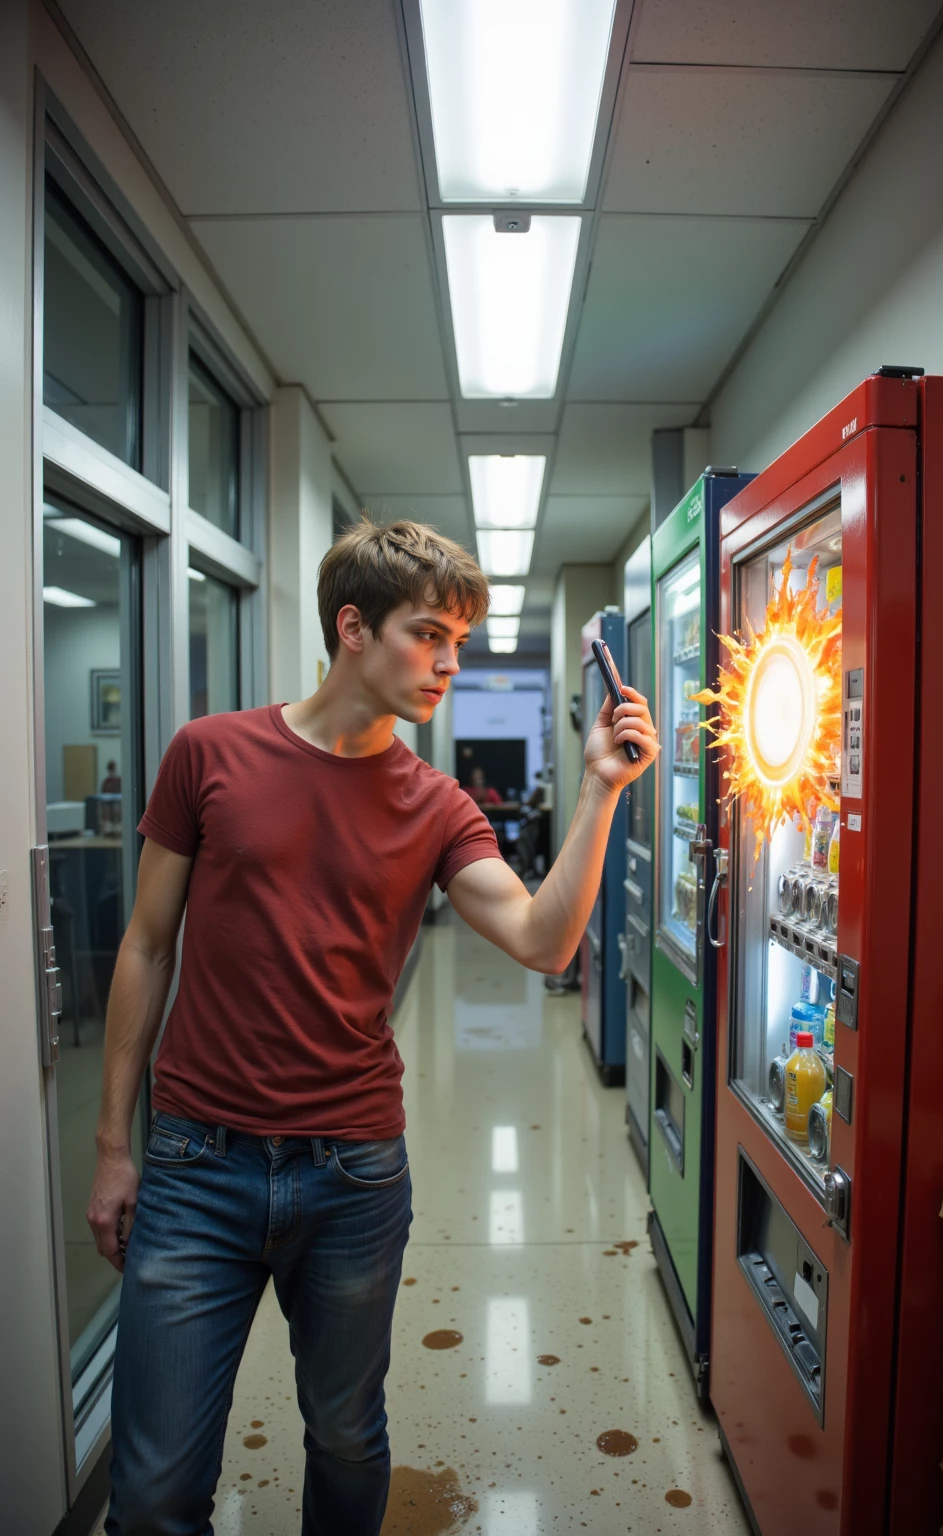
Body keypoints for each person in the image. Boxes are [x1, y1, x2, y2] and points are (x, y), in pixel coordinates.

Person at [86, 518, 658, 1536]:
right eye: (427, 635)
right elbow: (144, 946)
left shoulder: (434, 806)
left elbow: (541, 940)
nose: (446, 665)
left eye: (458, 644)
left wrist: (598, 789)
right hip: (194, 1162)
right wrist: (111, 1144)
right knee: (159, 1485)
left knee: (347, 1438)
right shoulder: (208, 755)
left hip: (352, 1171)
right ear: (352, 627)